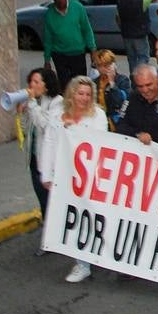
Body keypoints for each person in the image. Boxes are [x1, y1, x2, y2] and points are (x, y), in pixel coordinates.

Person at [37, 75, 109, 283]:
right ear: (71, 94)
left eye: (88, 94)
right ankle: (82, 263)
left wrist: (73, 128)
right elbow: (49, 143)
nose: (84, 98)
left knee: (90, 216)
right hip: (64, 175)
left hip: (89, 177)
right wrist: (46, 174)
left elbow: (99, 142)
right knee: (72, 218)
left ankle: (92, 256)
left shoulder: (98, 116)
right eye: (80, 93)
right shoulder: (57, 115)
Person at [20, 67, 61, 223]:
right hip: (34, 159)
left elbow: (45, 125)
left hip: (48, 162)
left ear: (46, 85)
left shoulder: (57, 103)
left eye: (37, 82)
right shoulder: (34, 103)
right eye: (31, 81)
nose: (32, 85)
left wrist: (31, 104)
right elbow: (25, 130)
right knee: (42, 199)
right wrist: (22, 113)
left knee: (51, 201)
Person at [42, 0, 95, 82]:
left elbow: (87, 30)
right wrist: (47, 60)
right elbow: (48, 39)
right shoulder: (49, 14)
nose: (60, 0)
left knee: (80, 83)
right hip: (59, 55)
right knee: (65, 84)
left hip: (78, 54)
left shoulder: (78, 7)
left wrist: (93, 50)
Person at [115, 0, 158, 73]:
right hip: (140, 35)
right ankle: (140, 75)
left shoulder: (120, 1)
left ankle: (133, 78)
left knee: (131, 58)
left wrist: (122, 29)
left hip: (127, 35)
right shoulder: (142, 0)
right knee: (143, 57)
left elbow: (117, 18)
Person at [93, 49, 129, 128]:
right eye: (99, 65)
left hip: (117, 121)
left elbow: (121, 102)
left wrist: (112, 83)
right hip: (98, 120)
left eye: (106, 65)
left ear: (114, 64)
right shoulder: (94, 82)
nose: (103, 69)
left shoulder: (122, 80)